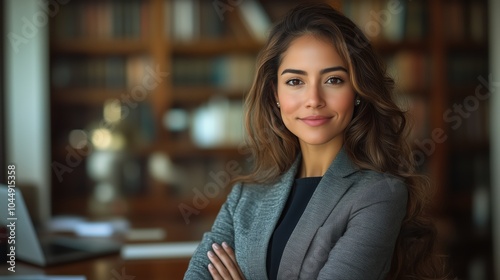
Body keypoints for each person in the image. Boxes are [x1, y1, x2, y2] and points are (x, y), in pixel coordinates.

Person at [184, 2, 448, 279]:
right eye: (295, 82)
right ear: (275, 92)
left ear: (358, 89)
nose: (313, 100)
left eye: (333, 80)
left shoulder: (379, 195)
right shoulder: (245, 196)